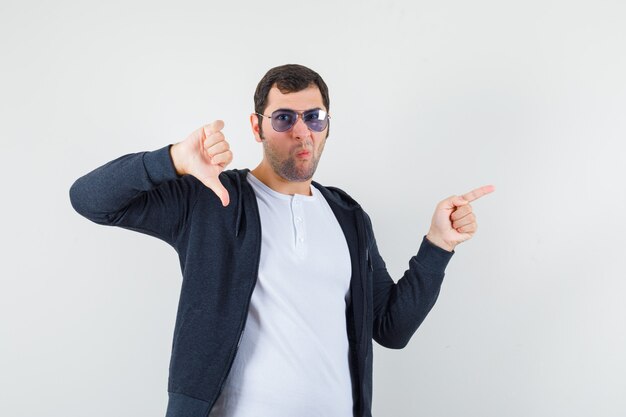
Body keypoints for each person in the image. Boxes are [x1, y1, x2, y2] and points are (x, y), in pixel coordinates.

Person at [69, 64, 494, 417]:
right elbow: (90, 200)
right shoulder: (212, 199)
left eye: (314, 117)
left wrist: (438, 246)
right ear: (257, 126)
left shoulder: (348, 217)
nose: (302, 131)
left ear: (327, 125)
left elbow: (391, 328)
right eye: (284, 118)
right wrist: (174, 159)